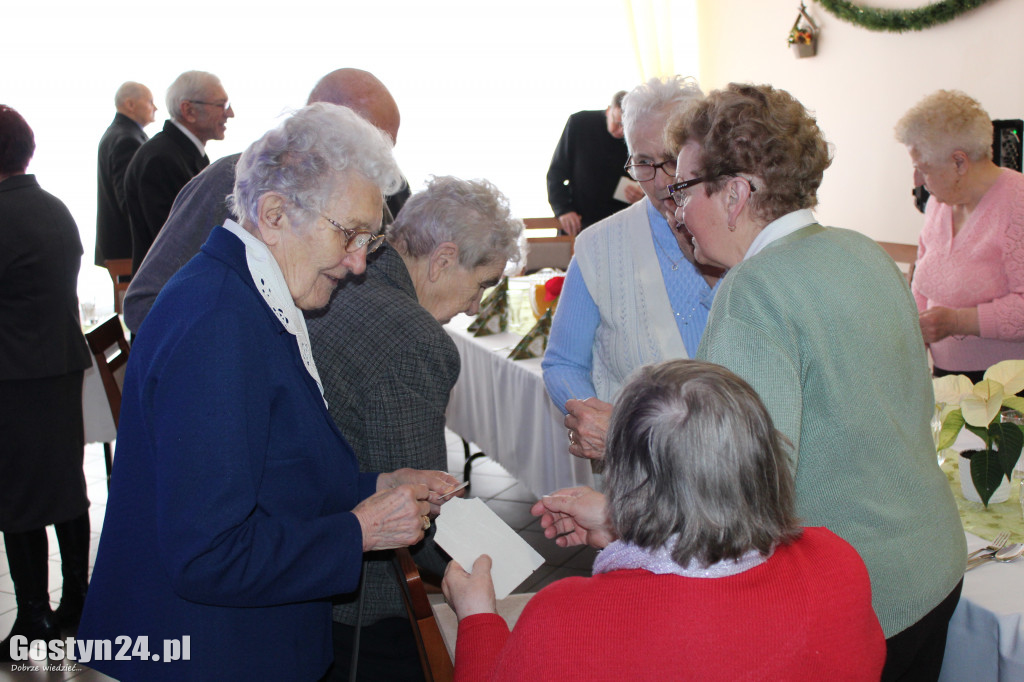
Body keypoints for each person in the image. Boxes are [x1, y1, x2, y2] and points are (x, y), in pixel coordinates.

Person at [76, 104, 463, 681]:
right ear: (275, 213)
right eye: (350, 235)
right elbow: (208, 554)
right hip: (209, 654)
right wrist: (359, 530)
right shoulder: (218, 323)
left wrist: (376, 485)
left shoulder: (251, 291)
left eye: (370, 239)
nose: (360, 264)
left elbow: (271, 477)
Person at [661, 83, 963, 680]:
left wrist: (628, 514)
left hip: (857, 595)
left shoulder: (754, 289)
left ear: (735, 193)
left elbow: (741, 490)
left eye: (683, 189)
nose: (675, 211)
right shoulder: (862, 251)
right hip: (934, 561)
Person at [446, 360, 885, 681]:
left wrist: (477, 618)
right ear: (762, 458)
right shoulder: (838, 562)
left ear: (623, 478)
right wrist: (626, 529)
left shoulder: (563, 621)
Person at [308, 175, 524, 681]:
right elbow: (423, 516)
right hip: (362, 606)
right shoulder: (413, 338)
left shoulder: (338, 280)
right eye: (482, 285)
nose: (475, 307)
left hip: (310, 546)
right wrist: (505, 565)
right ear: (444, 258)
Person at [123, 68, 408, 334]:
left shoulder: (361, 201)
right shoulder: (234, 179)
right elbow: (144, 303)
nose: (380, 168)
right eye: (371, 146)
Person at [542, 76, 721, 461]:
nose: (659, 183)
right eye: (643, 162)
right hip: (639, 470)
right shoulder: (598, 245)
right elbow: (563, 363)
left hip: (733, 467)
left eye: (673, 160)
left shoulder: (734, 232)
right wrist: (604, 421)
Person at [0, 105, 93, 660]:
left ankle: (33, 618)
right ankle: (77, 601)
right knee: (62, 487)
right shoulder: (53, 207)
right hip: (57, 364)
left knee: (15, 497)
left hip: (13, 373)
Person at [895, 89, 1024, 383]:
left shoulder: (1018, 203)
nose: (916, 181)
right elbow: (923, 284)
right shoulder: (939, 204)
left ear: (959, 163)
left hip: (1006, 388)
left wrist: (956, 321)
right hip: (945, 378)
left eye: (922, 169)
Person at [124, 70, 233, 272]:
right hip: (168, 291)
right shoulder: (160, 159)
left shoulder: (183, 153)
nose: (230, 113)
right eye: (221, 105)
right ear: (189, 111)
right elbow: (176, 244)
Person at [546, 90, 637, 236]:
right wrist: (563, 210)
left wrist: (641, 194)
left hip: (620, 225)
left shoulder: (637, 134)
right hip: (580, 222)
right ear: (609, 110)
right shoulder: (579, 123)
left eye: (626, 127)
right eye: (618, 123)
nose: (620, 131)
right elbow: (556, 174)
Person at [94, 81, 156, 266]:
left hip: (119, 247)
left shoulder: (118, 134)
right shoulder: (127, 140)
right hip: (129, 249)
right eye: (150, 102)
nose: (156, 108)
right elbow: (129, 201)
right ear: (130, 104)